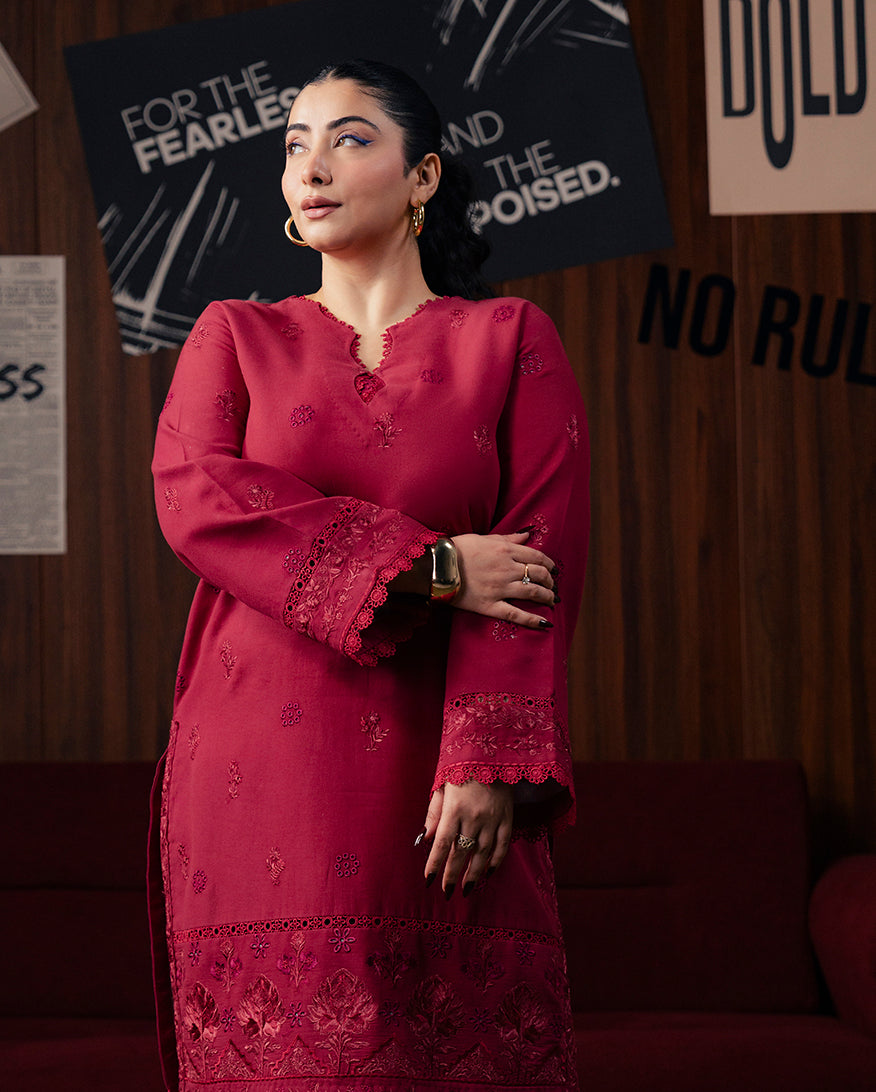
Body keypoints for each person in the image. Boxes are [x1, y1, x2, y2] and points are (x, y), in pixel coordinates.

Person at [149, 58, 589, 1092]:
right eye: (294, 145)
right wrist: (435, 568)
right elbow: (197, 496)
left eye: (349, 139)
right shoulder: (235, 335)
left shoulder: (510, 340)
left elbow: (538, 562)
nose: (312, 166)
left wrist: (488, 763)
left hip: (443, 769)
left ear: (423, 174)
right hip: (262, 767)